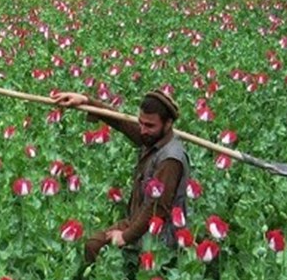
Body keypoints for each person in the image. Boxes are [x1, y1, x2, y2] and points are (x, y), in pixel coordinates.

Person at [52, 89, 191, 265]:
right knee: (93, 244)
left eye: (149, 125)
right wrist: (86, 100)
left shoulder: (170, 159)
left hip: (159, 234)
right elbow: (121, 121)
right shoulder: (153, 137)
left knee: (96, 246)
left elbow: (156, 208)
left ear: (168, 123)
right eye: (141, 123)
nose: (143, 130)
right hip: (138, 219)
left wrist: (125, 236)